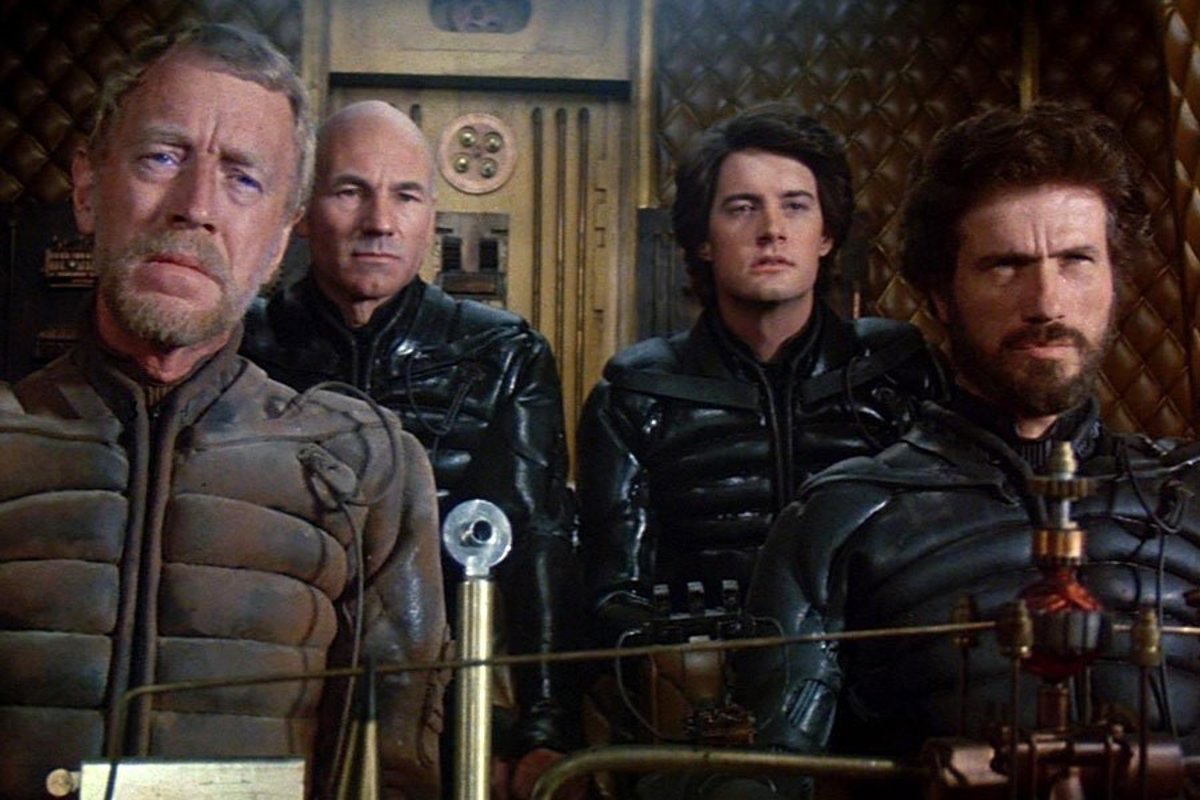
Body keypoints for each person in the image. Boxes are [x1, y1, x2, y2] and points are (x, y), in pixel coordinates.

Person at [0, 25, 447, 800]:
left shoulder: (361, 466)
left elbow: (396, 765)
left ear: (277, 241)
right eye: (161, 157)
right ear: (87, 190)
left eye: (243, 178)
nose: (196, 207)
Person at [739, 102, 1200, 793]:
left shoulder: (1190, 496)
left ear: (1115, 281)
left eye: (1076, 261)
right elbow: (764, 778)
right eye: (1005, 265)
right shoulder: (843, 519)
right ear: (940, 295)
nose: (1046, 302)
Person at [240, 100, 582, 797]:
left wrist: (545, 730)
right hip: (264, 688)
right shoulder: (243, 341)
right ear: (301, 211)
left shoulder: (502, 353)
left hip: (444, 698)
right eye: (350, 191)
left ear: (432, 217)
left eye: (406, 196)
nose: (380, 221)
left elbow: (537, 540)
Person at [576, 104, 947, 654]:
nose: (772, 231)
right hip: (703, 685)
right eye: (742, 208)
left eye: (795, 206)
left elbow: (946, 558)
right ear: (703, 239)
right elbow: (612, 594)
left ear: (826, 235)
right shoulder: (637, 396)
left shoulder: (898, 373)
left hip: (879, 678)